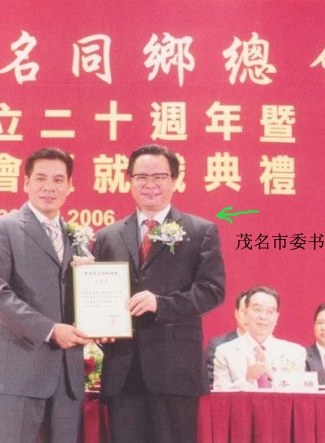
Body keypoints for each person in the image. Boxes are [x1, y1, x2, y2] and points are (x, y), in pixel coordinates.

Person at [92, 144, 225, 443]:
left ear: (174, 180)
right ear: (129, 181)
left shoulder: (200, 231)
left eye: (159, 176)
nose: (149, 184)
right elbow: (98, 295)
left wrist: (160, 304)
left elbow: (212, 291)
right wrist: (99, 327)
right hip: (123, 369)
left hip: (175, 369)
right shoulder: (107, 237)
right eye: (141, 177)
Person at [0, 147, 90, 443]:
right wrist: (50, 330)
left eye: (58, 180)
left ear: (70, 186)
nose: (49, 187)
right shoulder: (2, 228)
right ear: (26, 183)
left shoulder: (76, 236)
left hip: (67, 377)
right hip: (20, 373)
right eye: (40, 178)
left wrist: (101, 324)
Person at [213, 286, 306, 391]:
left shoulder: (295, 352)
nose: (263, 316)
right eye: (257, 310)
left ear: (276, 318)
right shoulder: (225, 352)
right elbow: (219, 395)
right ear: (245, 314)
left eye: (270, 311)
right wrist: (248, 380)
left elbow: (298, 394)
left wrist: (272, 375)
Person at [204, 290, 248, 387]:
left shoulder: (276, 347)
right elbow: (211, 381)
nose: (248, 317)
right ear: (236, 313)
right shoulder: (218, 344)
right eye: (244, 312)